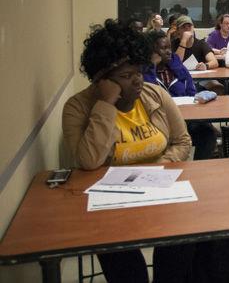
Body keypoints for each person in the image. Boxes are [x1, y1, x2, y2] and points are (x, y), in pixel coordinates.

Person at [62, 19, 193, 283]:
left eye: (138, 71)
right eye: (125, 76)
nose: (137, 81)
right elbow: (88, 162)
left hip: (160, 191)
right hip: (111, 204)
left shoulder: (154, 94)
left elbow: (182, 142)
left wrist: (154, 171)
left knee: (184, 247)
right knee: (127, 270)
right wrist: (106, 103)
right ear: (101, 79)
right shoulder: (77, 108)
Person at [144, 31, 218, 160]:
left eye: (169, 48)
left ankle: (200, 166)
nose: (168, 52)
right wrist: (152, 64)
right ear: (152, 51)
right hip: (157, 120)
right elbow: (148, 92)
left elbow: (191, 91)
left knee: (207, 132)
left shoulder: (176, 65)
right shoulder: (144, 70)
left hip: (185, 116)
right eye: (163, 48)